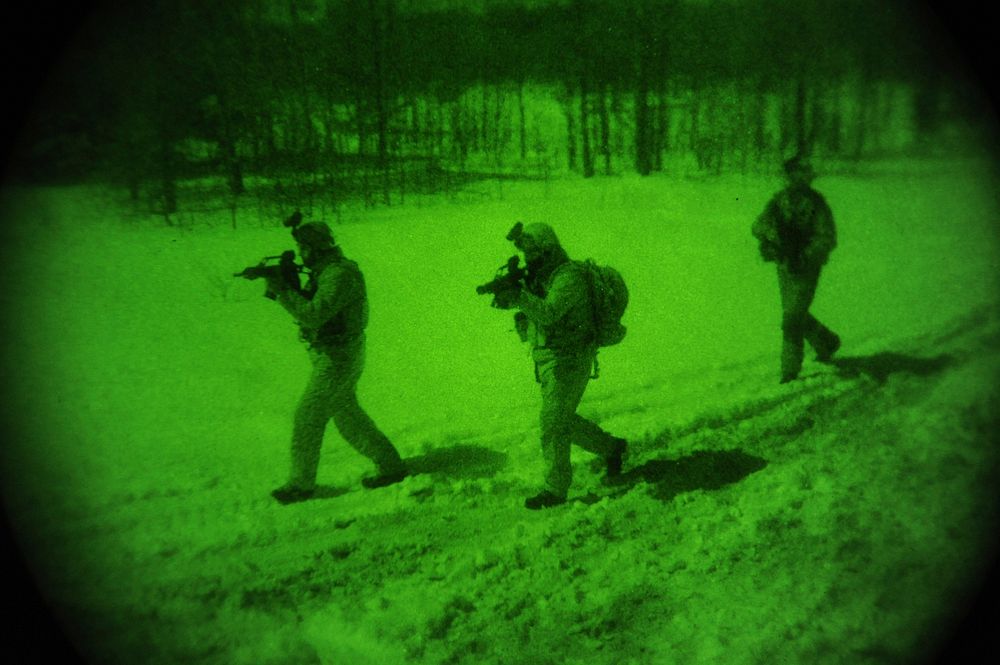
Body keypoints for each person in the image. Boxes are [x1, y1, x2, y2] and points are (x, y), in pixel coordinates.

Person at [265, 220, 407, 504]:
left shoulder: (339, 275)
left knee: (309, 415)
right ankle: (391, 466)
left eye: (303, 247)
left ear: (314, 248)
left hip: (339, 356)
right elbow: (316, 308)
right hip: (334, 353)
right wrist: (289, 285)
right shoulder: (326, 272)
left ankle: (300, 485)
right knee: (346, 414)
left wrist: (283, 290)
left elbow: (314, 315)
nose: (301, 253)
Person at [494, 223, 627, 510]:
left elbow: (550, 313)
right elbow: (536, 312)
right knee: (561, 419)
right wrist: (509, 298)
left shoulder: (569, 278)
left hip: (571, 357)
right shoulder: (544, 277)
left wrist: (518, 295)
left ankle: (555, 489)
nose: (530, 260)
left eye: (535, 253)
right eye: (527, 254)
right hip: (550, 357)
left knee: (553, 421)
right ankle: (612, 448)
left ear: (549, 250)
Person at [752, 155, 841, 383]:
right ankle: (827, 341)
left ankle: (789, 370)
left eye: (804, 174)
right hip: (784, 266)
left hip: (807, 268)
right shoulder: (779, 201)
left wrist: (806, 255)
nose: (799, 178)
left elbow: (827, 237)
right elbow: (758, 225)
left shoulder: (817, 204)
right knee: (795, 313)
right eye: (795, 174)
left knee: (792, 317)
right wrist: (773, 237)